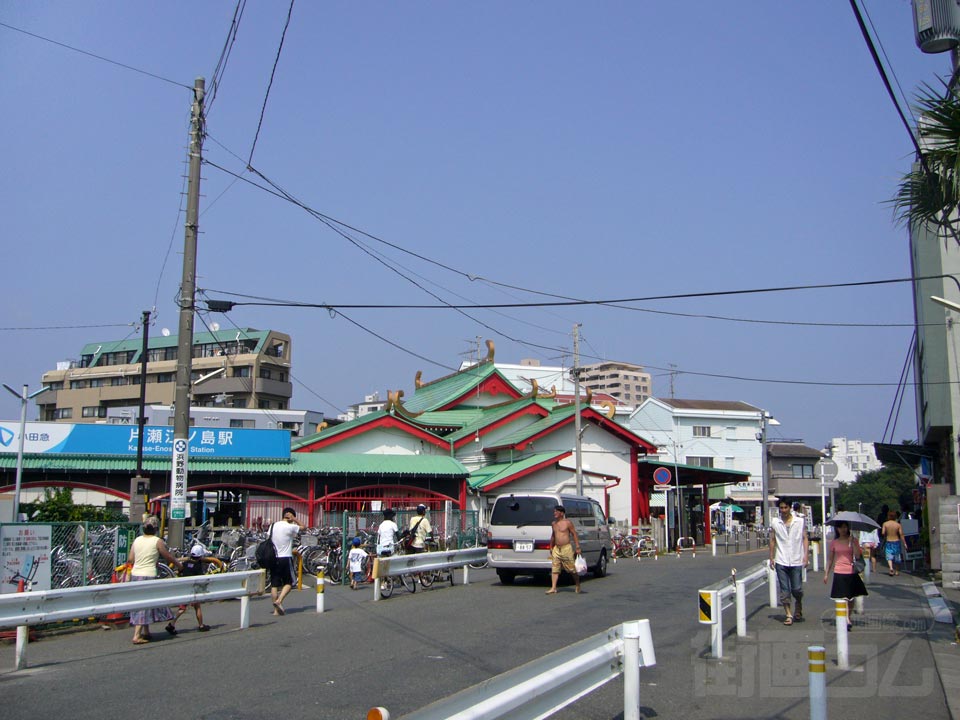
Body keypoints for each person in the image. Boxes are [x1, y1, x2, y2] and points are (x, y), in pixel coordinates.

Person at [127, 516, 181, 645]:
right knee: (144, 604)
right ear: (156, 529)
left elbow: (130, 559)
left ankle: (146, 632)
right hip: (148, 575)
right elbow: (167, 555)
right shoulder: (158, 541)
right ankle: (136, 635)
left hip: (135, 575)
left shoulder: (137, 540)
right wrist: (178, 564)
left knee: (141, 603)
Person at [768, 500, 809, 625]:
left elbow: (805, 538)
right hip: (781, 559)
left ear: (790, 508)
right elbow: (772, 540)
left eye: (785, 507)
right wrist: (771, 557)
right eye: (781, 508)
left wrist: (806, 555)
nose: (783, 510)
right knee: (785, 590)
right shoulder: (775, 522)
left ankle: (798, 604)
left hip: (796, 559)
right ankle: (788, 614)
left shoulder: (799, 521)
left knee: (797, 588)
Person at [824, 521, 868, 629]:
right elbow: (830, 559)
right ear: (837, 529)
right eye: (840, 527)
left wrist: (853, 543)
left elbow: (858, 556)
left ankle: (848, 616)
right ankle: (845, 619)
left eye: (845, 527)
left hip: (851, 571)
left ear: (848, 528)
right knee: (841, 597)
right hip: (839, 571)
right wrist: (826, 574)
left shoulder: (853, 540)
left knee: (850, 598)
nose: (843, 530)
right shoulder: (834, 542)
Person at [166, 545, 214, 634]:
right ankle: (201, 625)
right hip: (193, 589)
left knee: (182, 608)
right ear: (200, 556)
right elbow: (201, 578)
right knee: (197, 607)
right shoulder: (198, 566)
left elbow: (180, 571)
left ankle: (172, 624)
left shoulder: (185, 563)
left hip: (184, 588)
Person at [269, 507, 305, 615]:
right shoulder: (290, 527)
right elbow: (303, 527)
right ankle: (279, 601)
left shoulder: (273, 525)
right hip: (285, 557)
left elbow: (268, 538)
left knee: (274, 585)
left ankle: (276, 611)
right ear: (290, 517)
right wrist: (295, 519)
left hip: (273, 557)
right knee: (290, 583)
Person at [546, 505, 582, 595]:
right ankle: (553, 587)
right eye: (554, 511)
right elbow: (553, 536)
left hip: (566, 548)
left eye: (556, 511)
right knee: (555, 568)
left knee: (571, 569)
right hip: (557, 549)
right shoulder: (553, 524)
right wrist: (551, 546)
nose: (554, 513)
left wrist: (577, 547)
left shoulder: (568, 523)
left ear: (561, 513)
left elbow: (574, 534)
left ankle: (577, 584)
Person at [881, 510, 906, 576]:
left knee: (889, 557)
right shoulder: (898, 525)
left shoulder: (885, 524)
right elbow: (901, 534)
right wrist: (905, 543)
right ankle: (897, 571)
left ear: (888, 516)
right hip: (896, 541)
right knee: (897, 557)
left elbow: (883, 533)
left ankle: (891, 568)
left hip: (889, 541)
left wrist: (886, 533)